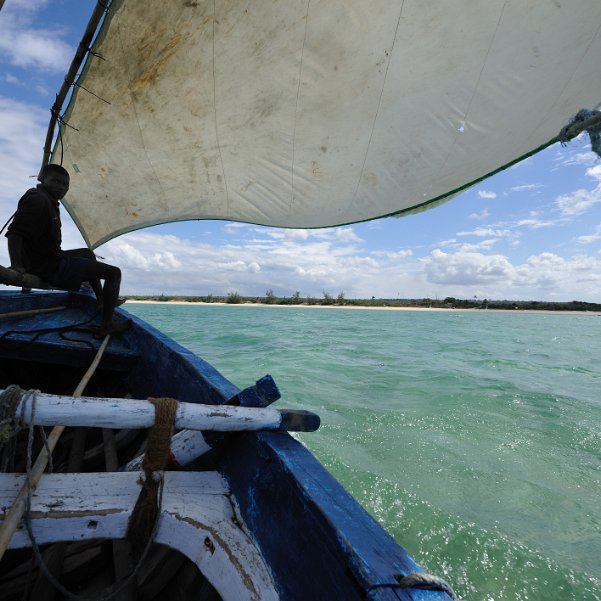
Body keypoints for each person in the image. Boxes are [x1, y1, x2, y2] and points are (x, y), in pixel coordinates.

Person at [6, 164, 129, 336]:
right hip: (47, 267)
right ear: (42, 179)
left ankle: (101, 301)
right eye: (55, 181)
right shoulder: (38, 201)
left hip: (50, 258)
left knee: (87, 253)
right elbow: (15, 233)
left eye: (65, 184)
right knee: (114, 273)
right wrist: (16, 265)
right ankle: (107, 325)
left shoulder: (49, 200)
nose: (61, 187)